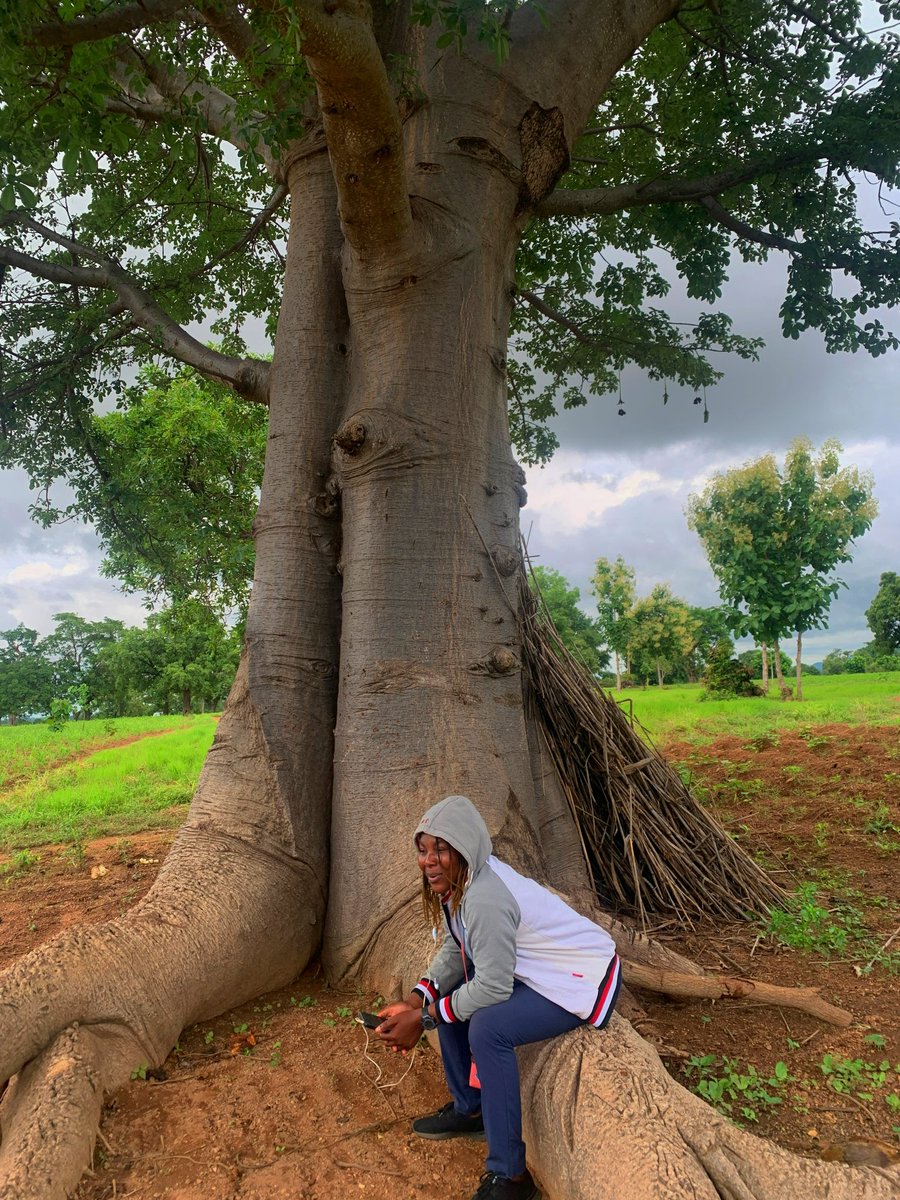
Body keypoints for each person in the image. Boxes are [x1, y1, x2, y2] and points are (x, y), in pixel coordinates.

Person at [376, 794, 621, 1200]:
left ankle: (512, 1178)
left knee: (488, 1029)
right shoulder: (464, 881)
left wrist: (424, 1019)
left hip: (581, 977)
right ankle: (470, 1108)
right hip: (533, 969)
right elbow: (459, 948)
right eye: (423, 850)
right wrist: (418, 1000)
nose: (429, 861)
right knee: (454, 992)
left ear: (464, 847)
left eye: (441, 849)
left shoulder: (485, 897)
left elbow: (492, 987)